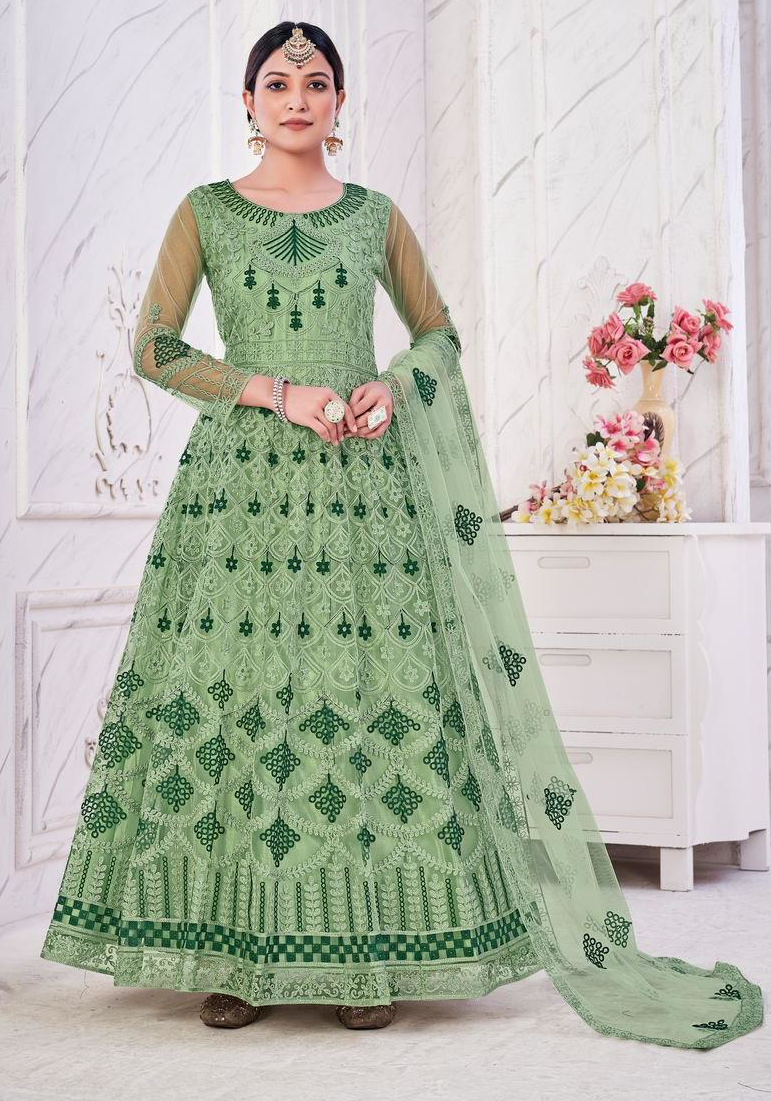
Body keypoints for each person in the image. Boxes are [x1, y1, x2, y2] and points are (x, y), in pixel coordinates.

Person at [40, 20, 763, 1046]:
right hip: (238, 496)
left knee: (364, 696)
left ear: (340, 104)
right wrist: (272, 392)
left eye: (316, 83)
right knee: (241, 696)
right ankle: (231, 954)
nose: (297, 98)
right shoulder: (204, 212)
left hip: (364, 492)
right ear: (247, 102)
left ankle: (366, 952)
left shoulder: (374, 216)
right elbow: (153, 347)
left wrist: (391, 387)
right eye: (278, 82)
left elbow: (438, 335)